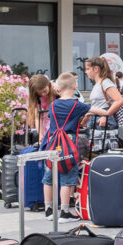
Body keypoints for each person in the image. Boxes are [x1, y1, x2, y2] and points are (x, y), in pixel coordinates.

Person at [42, 72, 108, 219]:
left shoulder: (53, 105)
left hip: (52, 143)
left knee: (49, 176)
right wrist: (106, 112)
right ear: (75, 87)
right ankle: (64, 212)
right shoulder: (77, 105)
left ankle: (48, 210)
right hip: (68, 143)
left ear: (58, 88)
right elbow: (100, 111)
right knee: (67, 176)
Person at [84, 57, 123, 130]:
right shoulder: (99, 84)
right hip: (97, 119)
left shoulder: (105, 82)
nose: (85, 72)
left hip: (102, 120)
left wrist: (106, 115)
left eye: (87, 69)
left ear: (96, 69)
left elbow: (119, 100)